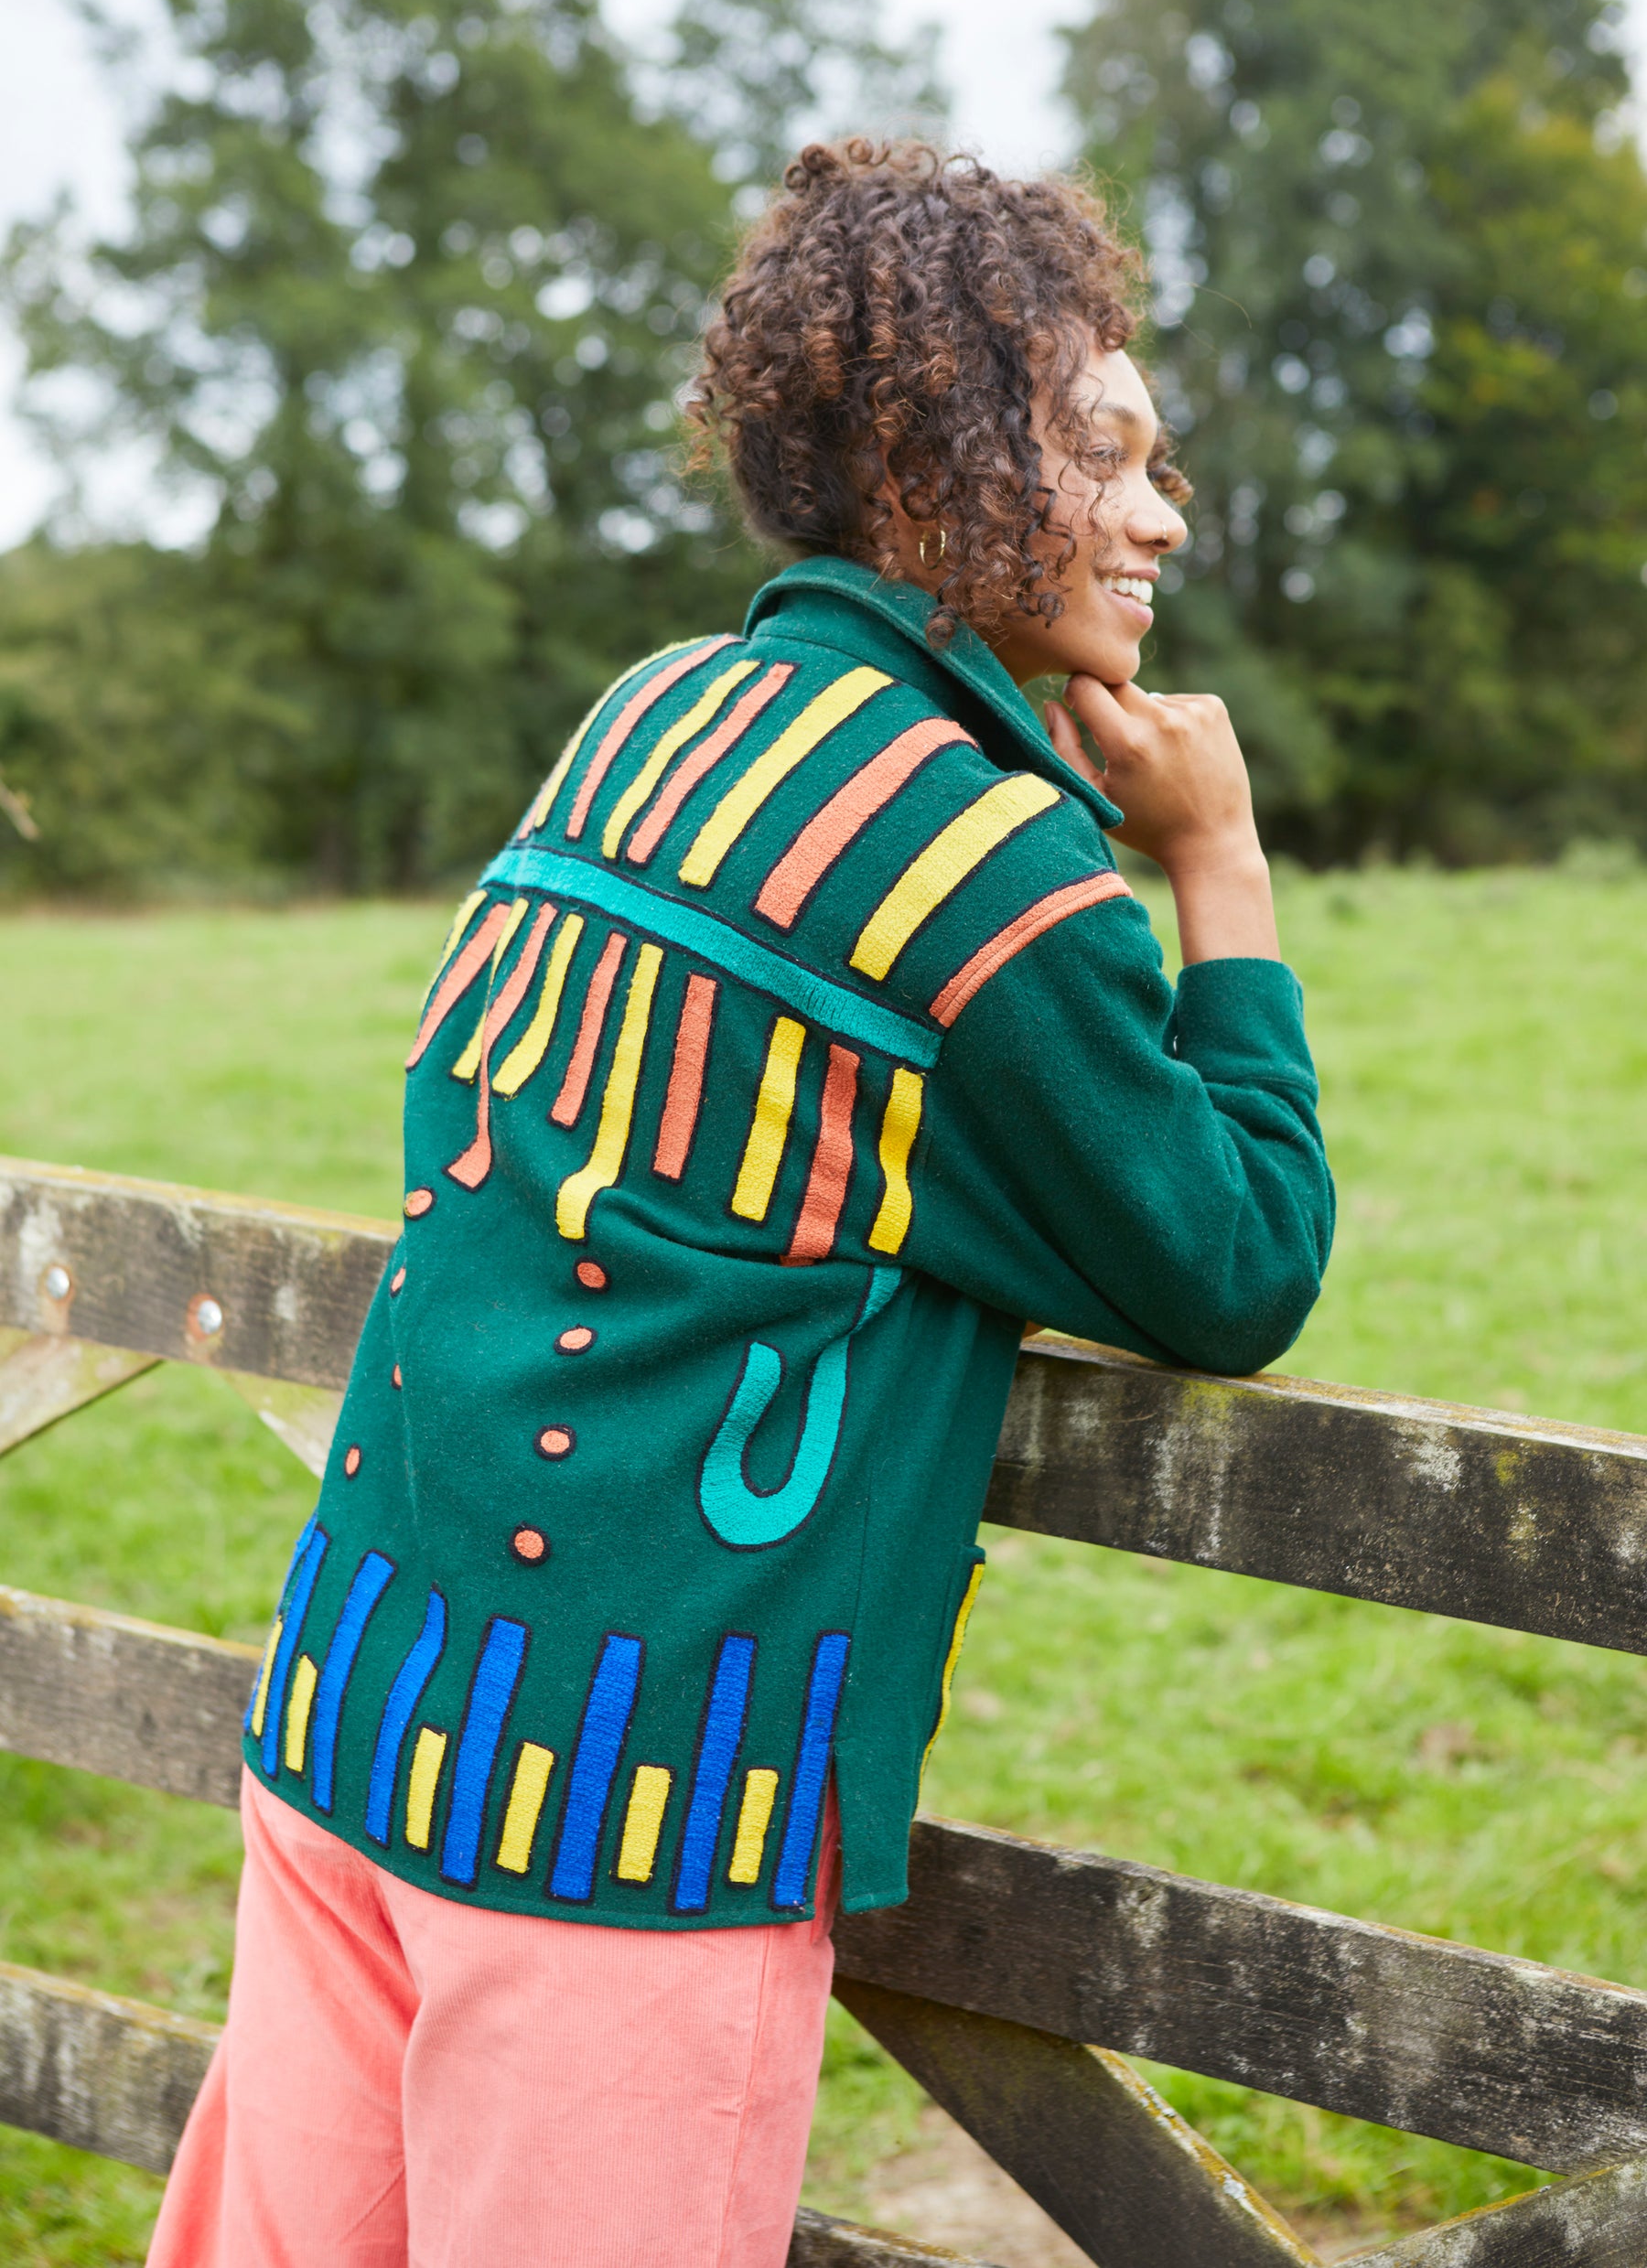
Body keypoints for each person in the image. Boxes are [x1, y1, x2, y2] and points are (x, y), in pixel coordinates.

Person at [148, 139, 1333, 2268]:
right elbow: (1238, 1258)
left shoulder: (643, 715)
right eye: (1103, 451)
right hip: (621, 1814)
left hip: (351, 1710)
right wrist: (1219, 865)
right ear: (924, 466)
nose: (1164, 514)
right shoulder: (984, 870)